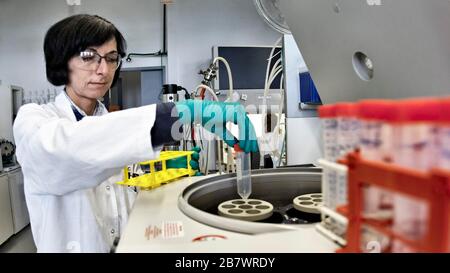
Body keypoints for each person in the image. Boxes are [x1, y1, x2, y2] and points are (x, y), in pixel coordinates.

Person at [13, 14, 258, 253]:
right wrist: (180, 113)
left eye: (111, 58)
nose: (103, 70)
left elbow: (119, 184)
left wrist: (162, 169)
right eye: (89, 56)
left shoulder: (111, 125)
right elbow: (68, 152)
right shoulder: (34, 119)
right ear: (62, 61)